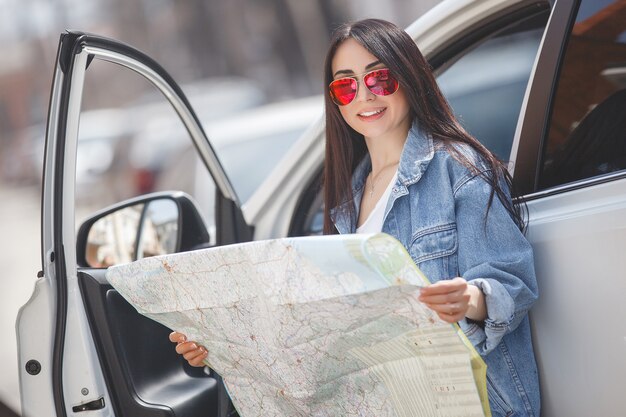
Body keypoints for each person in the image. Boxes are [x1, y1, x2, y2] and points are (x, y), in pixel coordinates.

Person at [171, 18, 540, 417]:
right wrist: (220, 349)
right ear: (336, 101)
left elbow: (513, 282)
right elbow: (315, 335)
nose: (365, 96)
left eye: (379, 79)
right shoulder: (343, 206)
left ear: (409, 78)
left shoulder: (459, 169)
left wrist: (468, 298)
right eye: (346, 86)